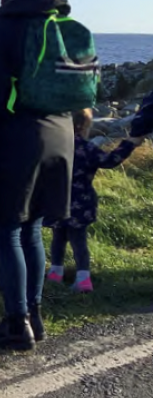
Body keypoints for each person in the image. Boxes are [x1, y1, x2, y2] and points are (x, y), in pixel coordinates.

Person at [0, 0, 76, 350]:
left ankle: (16, 324)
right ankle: (35, 315)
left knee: (6, 229)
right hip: (61, 133)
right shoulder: (61, 24)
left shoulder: (3, 28)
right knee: (32, 229)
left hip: (20, 137)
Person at [47, 110, 144, 293]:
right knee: (79, 241)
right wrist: (129, 144)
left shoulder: (54, 147)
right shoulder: (86, 148)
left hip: (56, 202)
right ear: (83, 126)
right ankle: (83, 279)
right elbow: (109, 161)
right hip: (81, 203)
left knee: (58, 238)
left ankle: (55, 274)